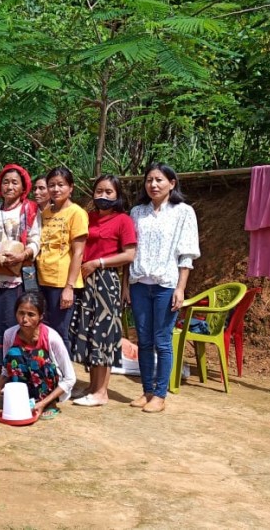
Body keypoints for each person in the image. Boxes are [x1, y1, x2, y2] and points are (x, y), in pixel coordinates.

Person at [125, 163, 200, 413]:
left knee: (162, 341)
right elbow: (129, 250)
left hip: (166, 285)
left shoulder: (183, 212)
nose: (153, 185)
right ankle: (147, 391)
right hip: (138, 284)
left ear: (172, 183)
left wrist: (180, 288)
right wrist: (127, 284)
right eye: (149, 180)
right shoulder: (137, 212)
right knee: (143, 340)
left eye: (159, 180)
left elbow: (186, 254)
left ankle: (160, 394)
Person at [70, 175, 136, 407]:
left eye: (109, 192)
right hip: (85, 280)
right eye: (99, 191)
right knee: (88, 332)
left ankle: (102, 392)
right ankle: (91, 386)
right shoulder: (87, 217)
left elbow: (129, 255)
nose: (103, 196)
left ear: (117, 195)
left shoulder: (123, 220)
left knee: (104, 334)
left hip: (106, 280)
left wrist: (98, 263)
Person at [0, 164, 40, 386]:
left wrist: (23, 254)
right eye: (5, 182)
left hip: (17, 277)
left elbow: (36, 239)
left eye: (15, 182)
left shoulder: (29, 209)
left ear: (23, 186)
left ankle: (17, 376)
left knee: (14, 324)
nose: (9, 186)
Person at [0, 291, 76, 420]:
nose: (24, 319)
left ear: (40, 316)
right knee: (13, 354)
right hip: (24, 388)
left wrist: (43, 403)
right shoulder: (9, 335)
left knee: (37, 356)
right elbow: (7, 369)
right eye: (21, 313)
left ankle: (49, 403)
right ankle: (23, 399)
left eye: (31, 315)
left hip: (48, 387)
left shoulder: (52, 338)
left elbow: (70, 378)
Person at [37, 166, 88, 344]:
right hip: (41, 280)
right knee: (42, 331)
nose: (56, 189)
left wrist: (69, 287)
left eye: (61, 185)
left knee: (59, 334)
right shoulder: (45, 213)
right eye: (51, 185)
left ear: (71, 187)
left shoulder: (77, 213)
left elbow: (78, 252)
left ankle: (64, 373)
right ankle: (45, 371)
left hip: (61, 283)